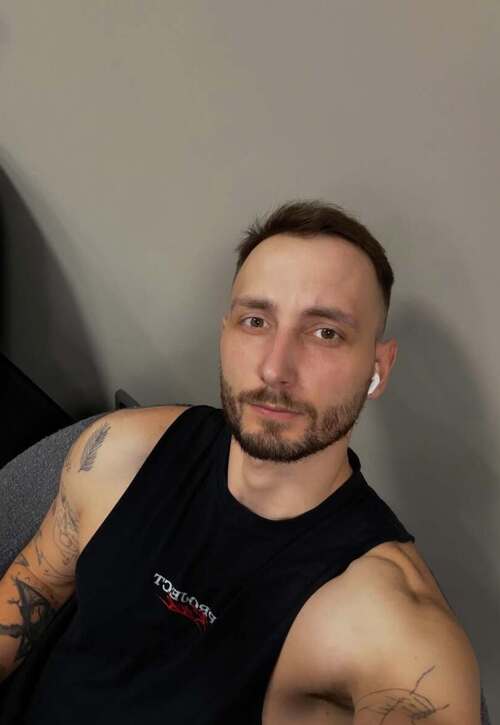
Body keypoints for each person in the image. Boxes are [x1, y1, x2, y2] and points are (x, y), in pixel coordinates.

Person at [0, 200, 482, 724]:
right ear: (225, 332)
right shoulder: (120, 452)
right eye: (256, 321)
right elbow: (35, 588)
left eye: (325, 332)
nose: (276, 368)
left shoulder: (393, 625)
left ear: (378, 368)